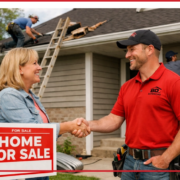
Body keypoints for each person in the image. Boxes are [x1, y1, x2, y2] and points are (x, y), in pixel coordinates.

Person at [73, 30, 180, 180]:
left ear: (149, 49)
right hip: (129, 163)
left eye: (132, 49)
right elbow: (114, 120)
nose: (127, 55)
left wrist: (165, 159)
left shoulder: (173, 82)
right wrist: (88, 124)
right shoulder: (127, 87)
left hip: (157, 166)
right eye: (127, 51)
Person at [0, 48, 90, 180]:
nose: (40, 68)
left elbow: (44, 134)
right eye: (35, 63)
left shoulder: (32, 97)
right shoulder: (8, 95)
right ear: (20, 69)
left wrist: (71, 127)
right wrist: (69, 126)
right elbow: (33, 132)